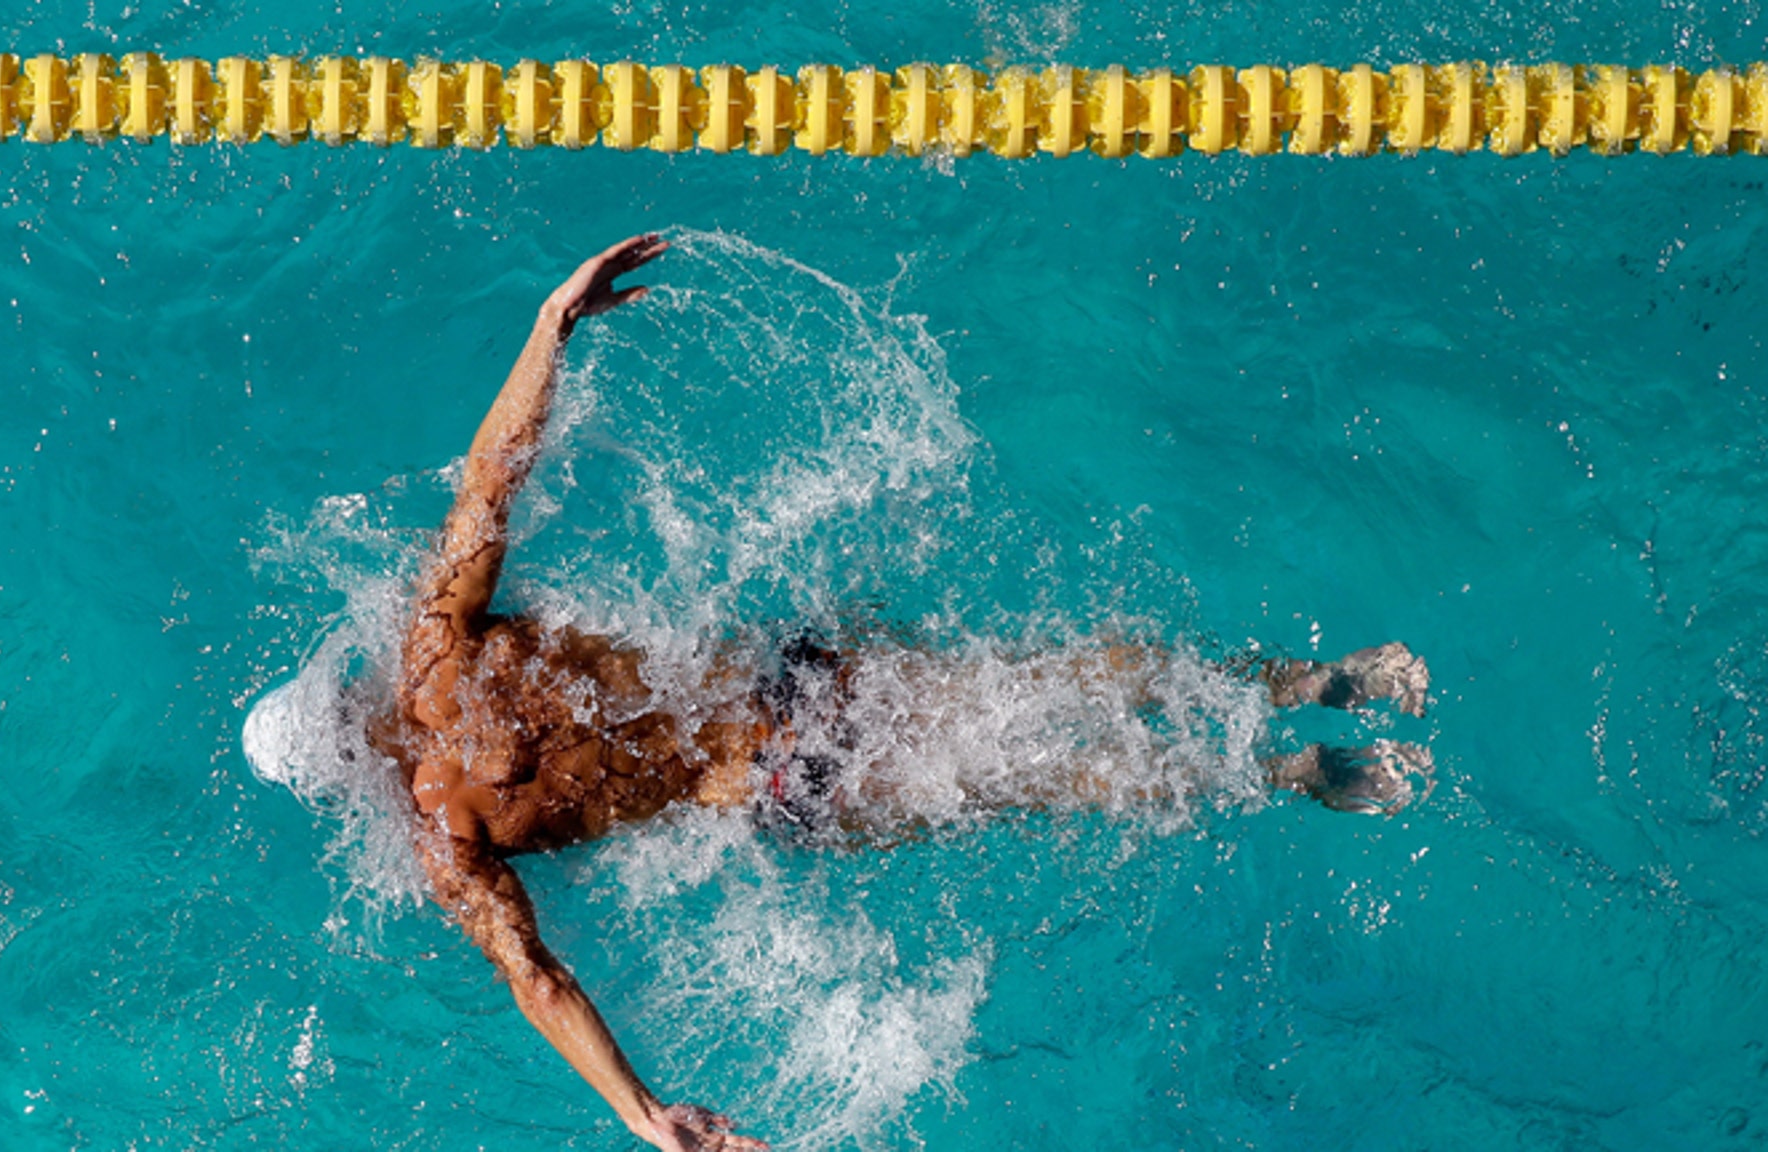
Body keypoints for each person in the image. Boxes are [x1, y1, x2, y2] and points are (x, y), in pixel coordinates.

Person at [371, 235, 1432, 1151]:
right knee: (1066, 681)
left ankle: (1296, 771)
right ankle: (1316, 684)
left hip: (789, 784)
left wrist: (641, 1113)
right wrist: (552, 324)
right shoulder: (433, 646)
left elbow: (535, 981)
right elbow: (490, 477)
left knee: (1063, 779)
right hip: (796, 687)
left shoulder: (447, 846)